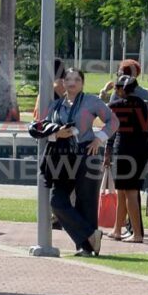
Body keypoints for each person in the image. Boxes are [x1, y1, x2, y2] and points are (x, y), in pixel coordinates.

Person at [41, 68, 119, 257]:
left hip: (86, 154)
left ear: (82, 83)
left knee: (86, 201)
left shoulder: (91, 101)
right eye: (68, 79)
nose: (72, 82)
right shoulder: (56, 105)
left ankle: (87, 247)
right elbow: (43, 127)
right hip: (61, 157)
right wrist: (55, 133)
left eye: (76, 79)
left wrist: (99, 138)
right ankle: (91, 235)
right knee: (57, 201)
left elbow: (113, 121)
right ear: (63, 83)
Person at [105, 75, 148, 243]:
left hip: (124, 150)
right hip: (141, 151)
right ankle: (117, 229)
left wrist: (103, 92)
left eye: (117, 89)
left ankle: (137, 234)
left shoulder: (115, 106)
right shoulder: (144, 104)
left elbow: (97, 113)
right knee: (124, 192)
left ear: (120, 89)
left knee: (129, 193)